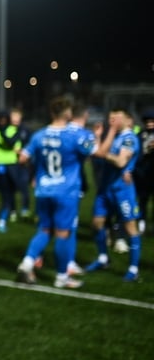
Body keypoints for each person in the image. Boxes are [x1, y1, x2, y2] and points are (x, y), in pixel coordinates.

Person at [14, 97, 97, 288]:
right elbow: (92, 152)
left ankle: (26, 264)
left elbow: (23, 158)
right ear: (68, 114)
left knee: (44, 229)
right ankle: (61, 277)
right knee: (62, 234)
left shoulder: (39, 135)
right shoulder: (74, 136)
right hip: (65, 191)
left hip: (44, 189)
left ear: (52, 113)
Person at [85, 107, 142, 282]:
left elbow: (120, 161)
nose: (113, 121)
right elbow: (95, 155)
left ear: (128, 120)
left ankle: (133, 269)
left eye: (116, 118)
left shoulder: (129, 138)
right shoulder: (113, 137)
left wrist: (104, 153)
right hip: (105, 189)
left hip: (122, 190)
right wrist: (97, 138)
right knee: (97, 223)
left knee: (130, 227)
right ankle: (103, 258)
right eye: (111, 118)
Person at [6, 107, 32, 222]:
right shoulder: (6, 129)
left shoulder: (25, 130)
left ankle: (25, 209)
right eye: (13, 116)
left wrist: (24, 153)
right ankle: (12, 211)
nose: (15, 119)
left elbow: (31, 144)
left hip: (23, 163)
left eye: (17, 116)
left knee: (24, 187)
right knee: (11, 188)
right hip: (10, 162)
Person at [132, 108, 154, 235]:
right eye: (148, 121)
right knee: (143, 200)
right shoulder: (140, 135)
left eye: (152, 121)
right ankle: (142, 223)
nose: (150, 124)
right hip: (143, 175)